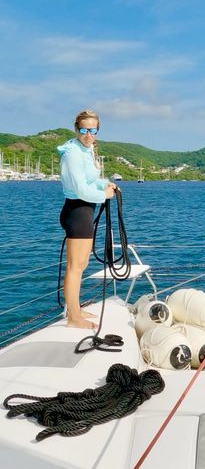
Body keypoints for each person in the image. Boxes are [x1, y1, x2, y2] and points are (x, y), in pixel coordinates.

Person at [58, 110, 116, 329]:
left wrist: (105, 184)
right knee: (75, 267)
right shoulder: (72, 153)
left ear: (97, 131)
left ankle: (76, 309)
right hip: (77, 211)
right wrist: (104, 196)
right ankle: (74, 318)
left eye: (93, 130)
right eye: (84, 130)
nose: (88, 134)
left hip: (84, 211)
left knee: (80, 265)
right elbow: (81, 189)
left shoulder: (85, 149)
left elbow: (90, 179)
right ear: (77, 129)